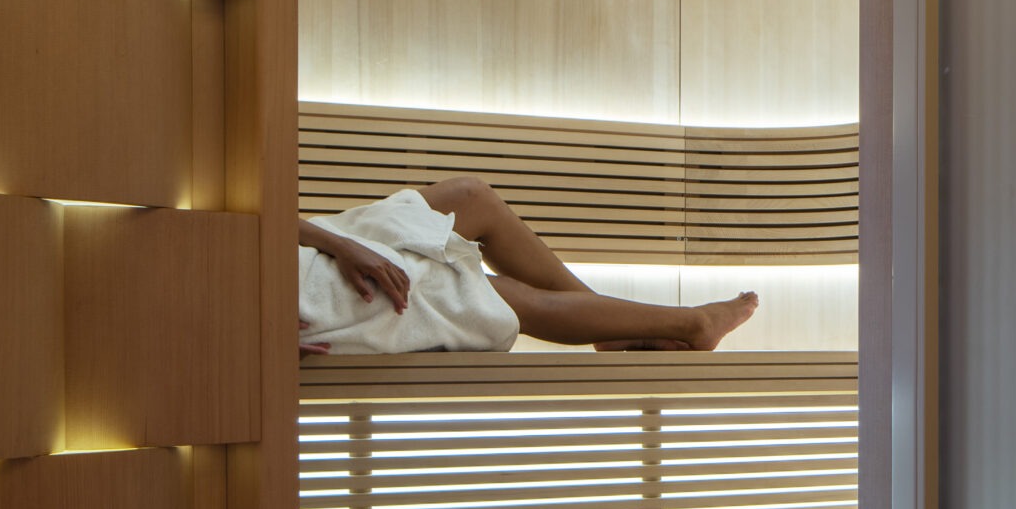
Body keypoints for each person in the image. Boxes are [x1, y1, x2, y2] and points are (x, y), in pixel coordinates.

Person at [299, 177, 757, 356]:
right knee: (494, 295)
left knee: (471, 198)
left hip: (303, 248)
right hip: (304, 301)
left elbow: (257, 224)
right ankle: (692, 323)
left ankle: (609, 325)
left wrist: (337, 242)